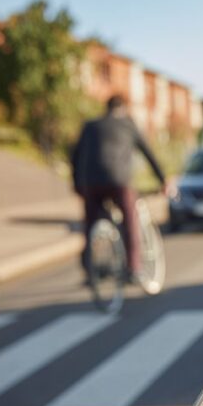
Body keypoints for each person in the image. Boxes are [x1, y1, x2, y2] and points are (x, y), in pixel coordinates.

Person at [71, 94, 167, 282]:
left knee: (90, 224)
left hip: (90, 183)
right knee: (130, 220)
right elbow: (148, 153)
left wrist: (77, 184)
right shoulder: (128, 124)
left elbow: (74, 156)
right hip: (120, 181)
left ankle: (89, 270)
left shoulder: (90, 126)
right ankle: (133, 268)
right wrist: (163, 180)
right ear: (123, 108)